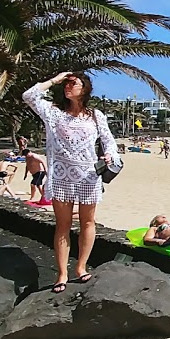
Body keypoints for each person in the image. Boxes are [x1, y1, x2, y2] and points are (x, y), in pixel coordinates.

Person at [23, 71, 121, 293]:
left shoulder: (96, 116)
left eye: (73, 84)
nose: (68, 87)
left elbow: (109, 142)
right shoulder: (53, 113)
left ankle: (81, 267)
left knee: (88, 222)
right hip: (61, 176)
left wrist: (110, 157)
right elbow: (29, 95)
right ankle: (62, 273)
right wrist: (55, 80)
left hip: (88, 176)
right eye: (65, 84)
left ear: (84, 88)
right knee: (63, 225)